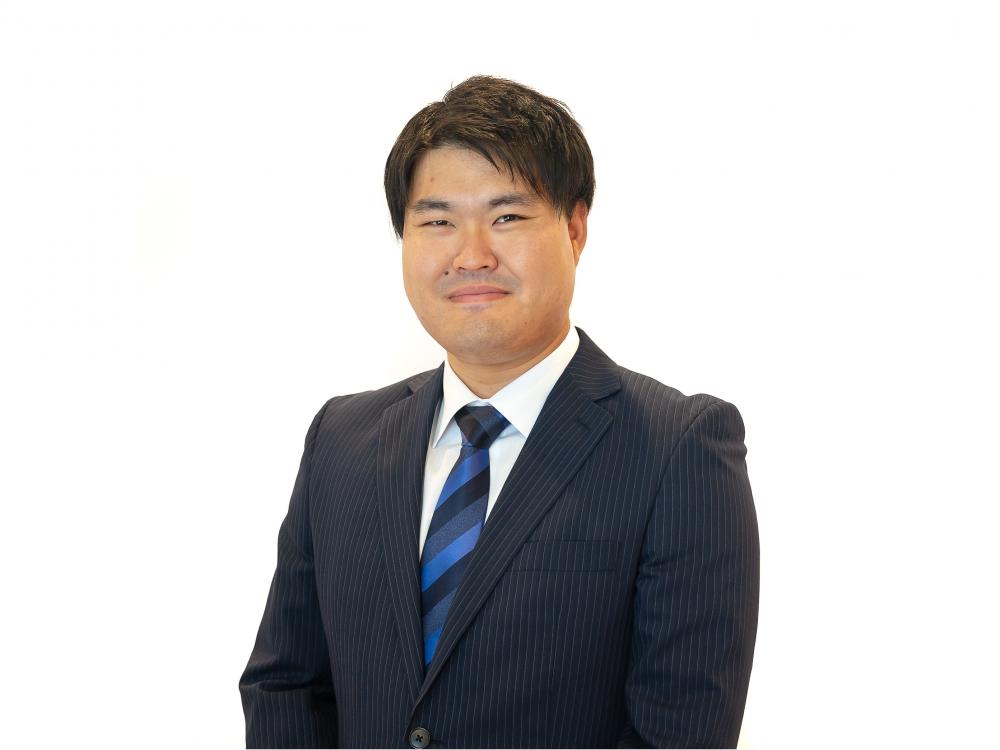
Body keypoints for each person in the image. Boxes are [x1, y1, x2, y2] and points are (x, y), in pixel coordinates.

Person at [239, 75, 759, 749]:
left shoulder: (678, 448)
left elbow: (680, 732)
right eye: (437, 222)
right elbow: (286, 686)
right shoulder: (341, 439)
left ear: (575, 228)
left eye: (507, 217)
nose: (471, 255)